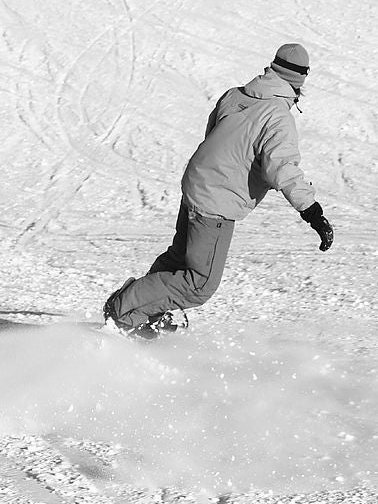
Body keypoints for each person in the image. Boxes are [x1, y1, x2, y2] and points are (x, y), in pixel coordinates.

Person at [103, 43, 334, 338]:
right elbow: (282, 169)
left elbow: (215, 134)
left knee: (178, 259)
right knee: (200, 283)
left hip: (197, 183)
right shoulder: (278, 117)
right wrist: (313, 213)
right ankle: (122, 311)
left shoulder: (235, 95)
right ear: (300, 80)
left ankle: (143, 314)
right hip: (216, 202)